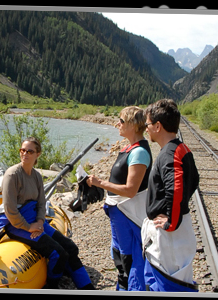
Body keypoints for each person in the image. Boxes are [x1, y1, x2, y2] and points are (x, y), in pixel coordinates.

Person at [0, 137, 95, 290]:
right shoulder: (12, 175)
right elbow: (10, 210)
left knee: (71, 248)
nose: (25, 154)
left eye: (30, 151)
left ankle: (86, 287)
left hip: (35, 219)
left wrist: (40, 222)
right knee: (58, 253)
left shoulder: (36, 176)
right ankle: (52, 285)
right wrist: (29, 227)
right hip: (17, 224)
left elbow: (41, 203)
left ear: (38, 154)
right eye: (22, 150)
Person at [86, 106, 152, 291]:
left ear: (133, 125)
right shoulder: (131, 148)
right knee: (120, 255)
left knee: (129, 257)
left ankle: (131, 289)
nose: (117, 124)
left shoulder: (138, 152)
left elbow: (131, 190)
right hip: (120, 214)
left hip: (128, 215)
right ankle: (123, 286)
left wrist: (100, 183)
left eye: (121, 121)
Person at [142, 99, 199, 292]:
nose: (146, 129)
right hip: (173, 231)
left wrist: (171, 221)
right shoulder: (181, 148)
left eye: (147, 124)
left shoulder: (168, 154)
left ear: (158, 126)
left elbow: (176, 187)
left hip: (169, 237)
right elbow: (194, 181)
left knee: (170, 286)